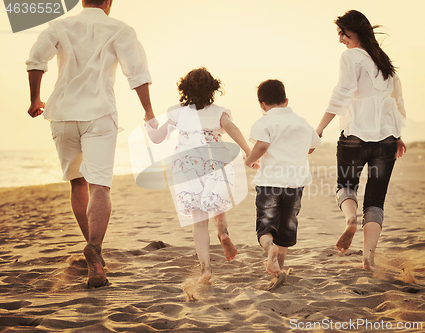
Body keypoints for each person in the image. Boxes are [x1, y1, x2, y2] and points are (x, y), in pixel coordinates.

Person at [26, 0, 155, 288]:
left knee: (78, 183)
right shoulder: (120, 29)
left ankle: (92, 248)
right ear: (108, 2)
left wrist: (35, 98)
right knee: (100, 186)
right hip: (99, 114)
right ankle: (95, 247)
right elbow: (137, 73)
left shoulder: (59, 25)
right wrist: (148, 111)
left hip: (62, 114)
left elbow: (36, 59)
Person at [314, 10, 407, 271]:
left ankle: (349, 220)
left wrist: (320, 128)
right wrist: (397, 135)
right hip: (386, 141)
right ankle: (368, 259)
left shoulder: (351, 57)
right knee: (376, 200)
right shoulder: (384, 62)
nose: (341, 40)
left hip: (354, 137)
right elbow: (395, 101)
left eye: (343, 34)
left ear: (355, 31)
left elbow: (341, 93)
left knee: (346, 186)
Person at [145, 67, 252, 284]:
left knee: (199, 221)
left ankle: (206, 269)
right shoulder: (219, 112)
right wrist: (249, 152)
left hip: (187, 164)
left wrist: (149, 125)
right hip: (214, 158)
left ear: (184, 89)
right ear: (213, 89)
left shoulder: (177, 112)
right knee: (217, 200)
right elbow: (232, 129)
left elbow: (157, 138)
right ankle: (223, 233)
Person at [245, 79, 322, 288]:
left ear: (261, 104)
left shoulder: (264, 121)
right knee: (287, 228)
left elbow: (262, 145)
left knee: (266, 225)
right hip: (295, 184)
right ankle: (278, 269)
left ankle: (269, 248)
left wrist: (249, 160)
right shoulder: (302, 122)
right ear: (286, 101)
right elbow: (312, 146)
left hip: (270, 183)